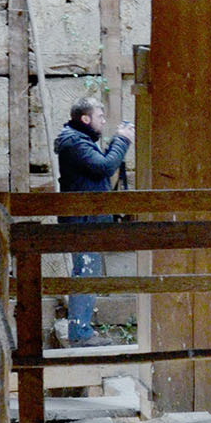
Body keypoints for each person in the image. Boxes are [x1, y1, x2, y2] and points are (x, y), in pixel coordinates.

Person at [54, 97, 133, 341]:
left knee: (86, 272)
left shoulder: (79, 140)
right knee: (86, 273)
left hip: (85, 220)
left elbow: (99, 168)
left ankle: (81, 330)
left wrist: (115, 143)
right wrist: (122, 140)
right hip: (83, 222)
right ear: (85, 118)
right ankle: (80, 334)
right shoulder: (75, 142)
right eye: (100, 116)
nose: (103, 121)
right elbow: (104, 168)